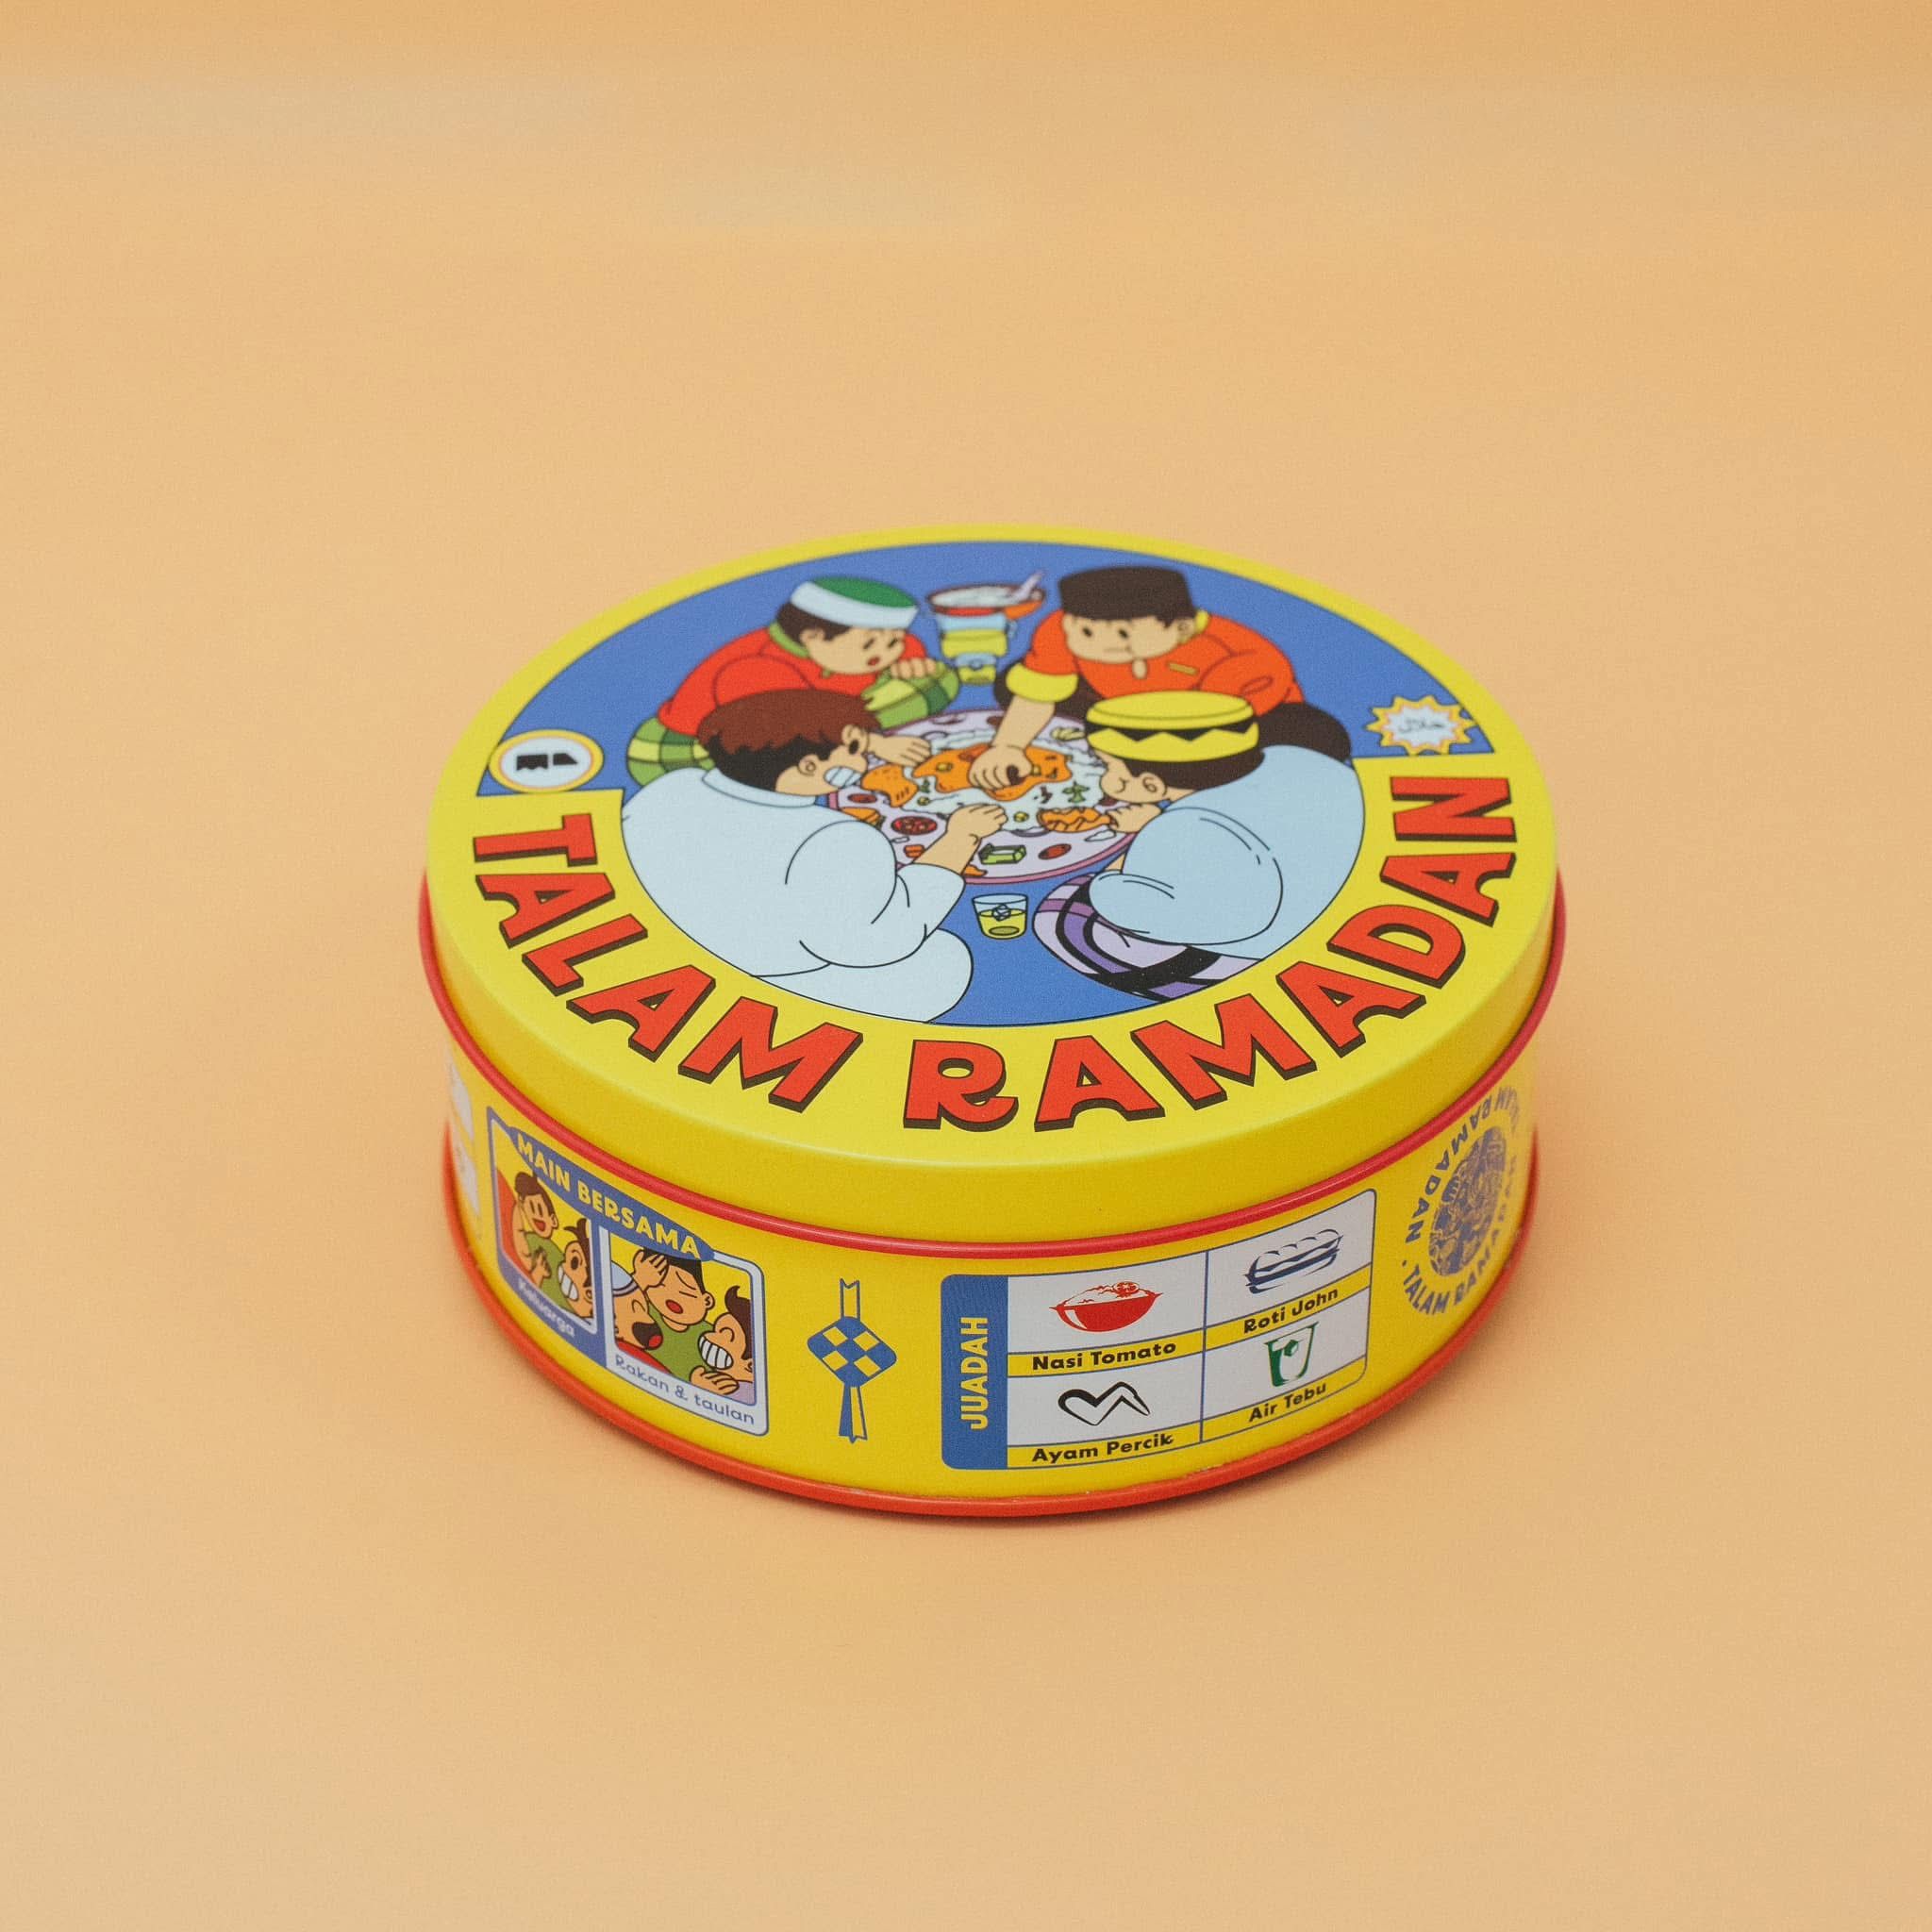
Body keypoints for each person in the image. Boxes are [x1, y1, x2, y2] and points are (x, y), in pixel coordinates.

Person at [622, 690, 1006, 1022]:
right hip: (769, 985)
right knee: (944, 958)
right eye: (853, 751)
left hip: (663, 957)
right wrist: (961, 838)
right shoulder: (836, 837)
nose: (862, 764)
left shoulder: (671, 787)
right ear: (809, 766)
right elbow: (885, 938)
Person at [970, 563, 1347, 790]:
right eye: (1085, 632)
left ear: (1181, 629)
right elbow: (1037, 693)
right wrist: (1007, 747)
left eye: (1123, 635)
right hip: (1114, 708)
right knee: (1013, 682)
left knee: (1311, 734)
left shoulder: (1238, 652)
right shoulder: (1059, 631)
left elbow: (1218, 722)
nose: (1101, 646)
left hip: (1230, 721)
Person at [1082, 691, 1363, 960]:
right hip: (1359, 909)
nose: (1105, 778)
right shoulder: (1293, 757)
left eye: (1107, 766)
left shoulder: (1182, 828)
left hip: (1285, 946)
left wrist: (1111, 874)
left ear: (1150, 784)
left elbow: (1139, 908)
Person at [626, 575, 958, 788]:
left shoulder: (861, 651)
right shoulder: (758, 669)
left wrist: (911, 662)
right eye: (870, 645)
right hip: (694, 746)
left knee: (936, 679)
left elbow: (909, 649)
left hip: (818, 716)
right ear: (813, 637)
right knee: (782, 762)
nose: (885, 654)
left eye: (893, 642)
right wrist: (874, 744)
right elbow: (776, 731)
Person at [610, 1248, 716, 1380]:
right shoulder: (645, 1311)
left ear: (707, 1300)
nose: (671, 1296)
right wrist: (640, 1279)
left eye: (685, 1291)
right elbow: (613, 1310)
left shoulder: (710, 1335)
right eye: (659, 1285)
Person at [508, 1173, 563, 1291]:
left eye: (540, 1209)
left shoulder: (558, 1254)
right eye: (531, 1208)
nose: (537, 1216)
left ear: (554, 1220)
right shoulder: (530, 1241)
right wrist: (538, 1272)